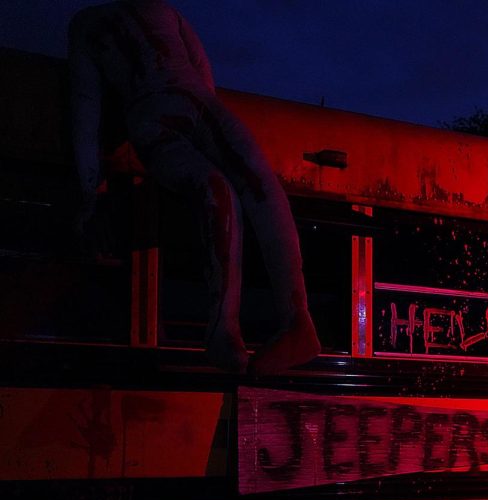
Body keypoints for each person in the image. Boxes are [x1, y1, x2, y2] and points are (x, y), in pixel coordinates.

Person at [69, 0, 320, 375]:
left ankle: (226, 329)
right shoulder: (164, 12)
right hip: (197, 102)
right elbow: (202, 68)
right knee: (258, 182)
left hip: (151, 113)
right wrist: (207, 125)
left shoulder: (88, 23)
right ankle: (293, 318)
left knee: (217, 191)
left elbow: (84, 109)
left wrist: (90, 190)